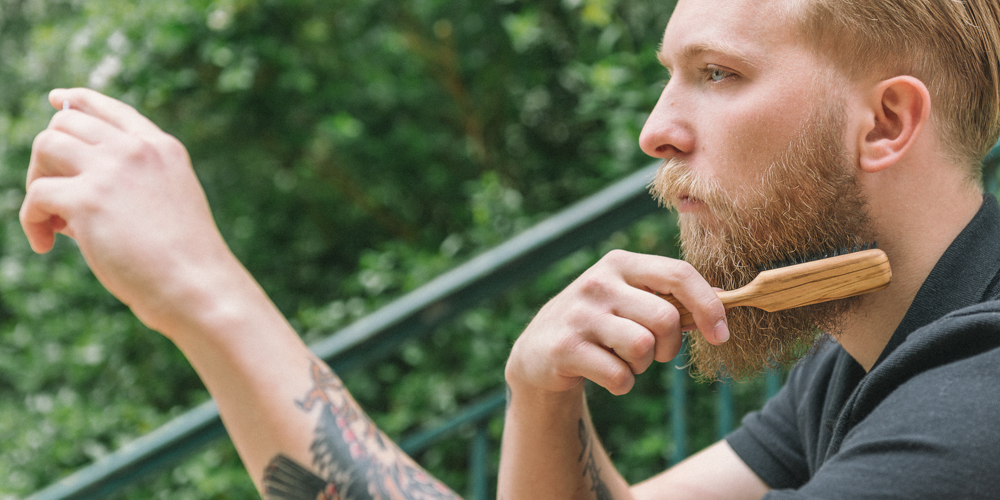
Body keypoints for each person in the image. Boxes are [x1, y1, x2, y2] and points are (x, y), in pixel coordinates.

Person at [19, 0, 1000, 499]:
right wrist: (541, 398)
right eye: (669, 76)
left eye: (716, 73)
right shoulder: (865, 359)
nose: (657, 129)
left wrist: (201, 288)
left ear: (882, 123)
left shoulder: (969, 417)